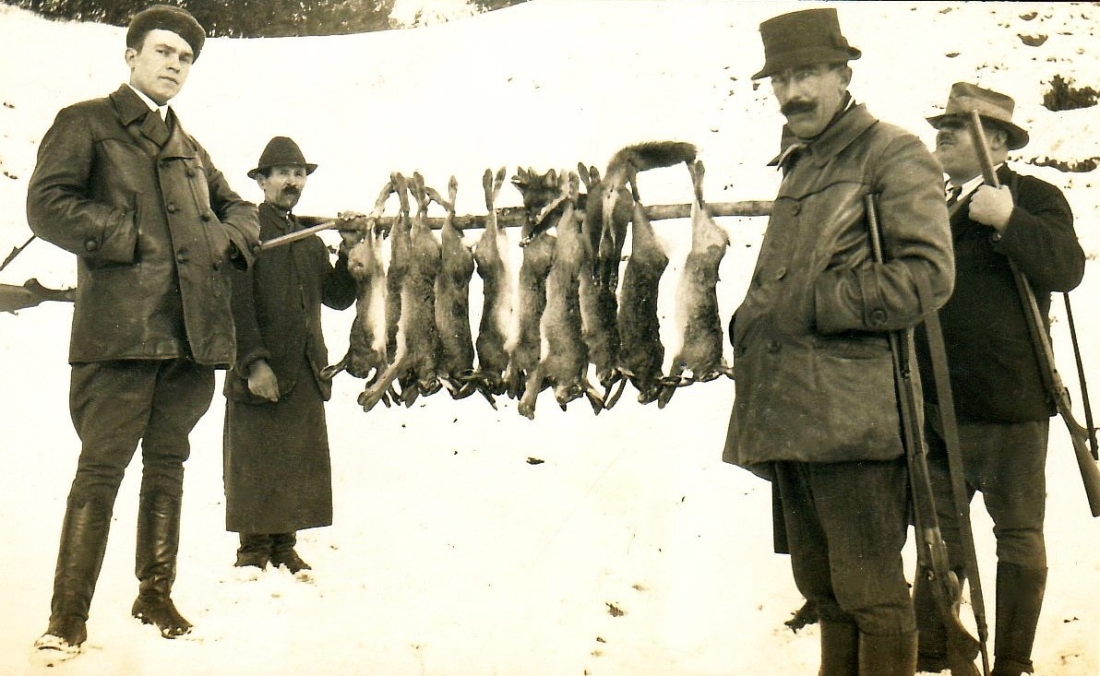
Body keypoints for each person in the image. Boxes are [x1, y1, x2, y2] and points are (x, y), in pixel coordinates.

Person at [721, 8, 955, 675]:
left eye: (807, 74)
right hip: (788, 411)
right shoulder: (802, 162)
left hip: (852, 418)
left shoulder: (891, 152)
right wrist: (750, 322)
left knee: (871, 594)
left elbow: (928, 275)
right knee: (823, 591)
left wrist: (819, 303)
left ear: (842, 74)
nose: (792, 91)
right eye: (781, 78)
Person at [26, 5, 260, 661]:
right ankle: (66, 618)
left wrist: (229, 235)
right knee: (99, 473)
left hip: (190, 338)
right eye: (163, 52)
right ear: (132, 57)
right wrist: (128, 238)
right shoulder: (86, 124)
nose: (174, 65)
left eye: (185, 58)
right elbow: (46, 203)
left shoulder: (189, 146)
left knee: (169, 466)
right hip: (122, 334)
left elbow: (238, 206)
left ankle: (154, 594)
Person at [913, 82, 1086, 676]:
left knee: (1018, 537)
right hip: (932, 404)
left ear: (999, 142)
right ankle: (936, 651)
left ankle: (1011, 661)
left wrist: (1010, 220)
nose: (943, 132)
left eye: (959, 126)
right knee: (939, 537)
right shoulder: (923, 201)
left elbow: (1066, 269)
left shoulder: (1034, 195)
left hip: (1012, 404)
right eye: (942, 122)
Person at [222, 137, 357, 574]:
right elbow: (235, 302)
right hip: (262, 363)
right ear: (262, 181)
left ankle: (284, 545)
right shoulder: (247, 230)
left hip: (304, 363)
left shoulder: (309, 239)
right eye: (282, 173)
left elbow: (337, 298)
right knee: (257, 454)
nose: (292, 181)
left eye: (299, 174)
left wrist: (351, 250)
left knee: (295, 455)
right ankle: (253, 548)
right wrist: (254, 363)